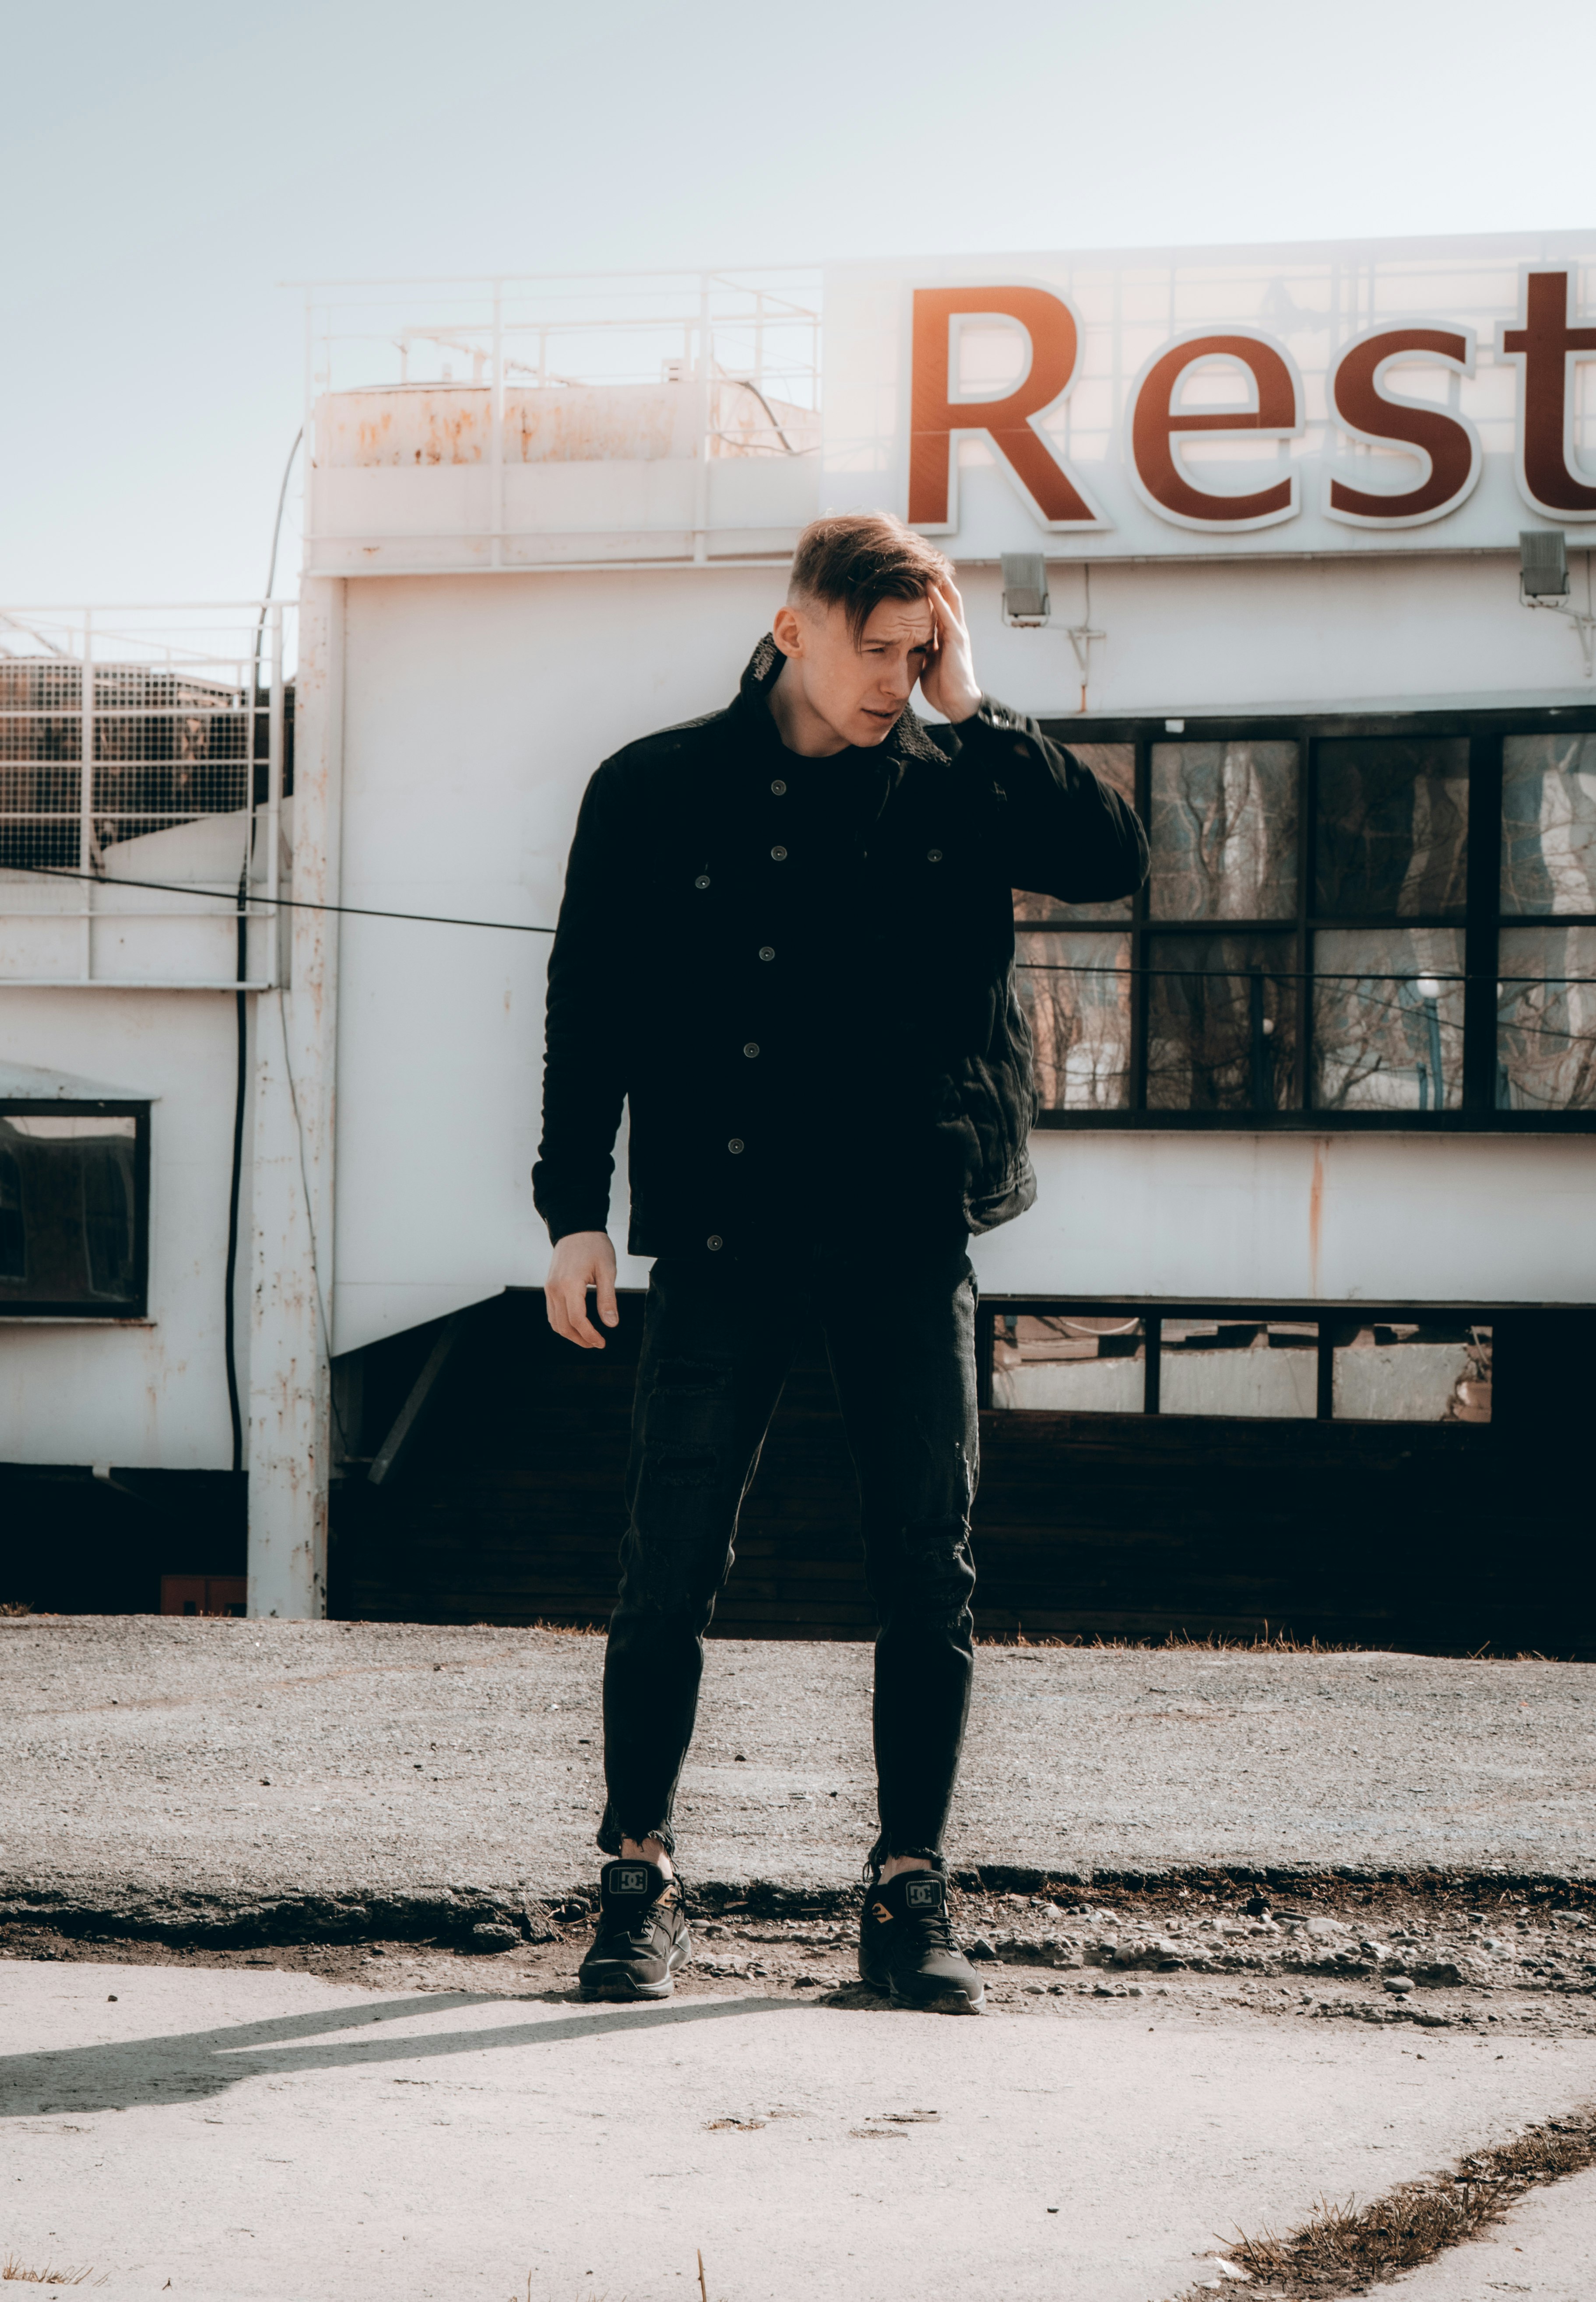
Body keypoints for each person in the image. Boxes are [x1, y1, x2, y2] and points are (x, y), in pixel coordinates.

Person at [533, 511, 1147, 2011]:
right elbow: (588, 1004)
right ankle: (635, 1875)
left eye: (917, 651)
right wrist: (573, 1207)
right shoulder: (656, 787)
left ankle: (909, 1883)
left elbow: (1113, 856)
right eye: (877, 648)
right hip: (728, 1224)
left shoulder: (959, 777)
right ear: (797, 623)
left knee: (925, 1566)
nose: (895, 678)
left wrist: (980, 710)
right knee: (668, 1562)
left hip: (901, 1222)